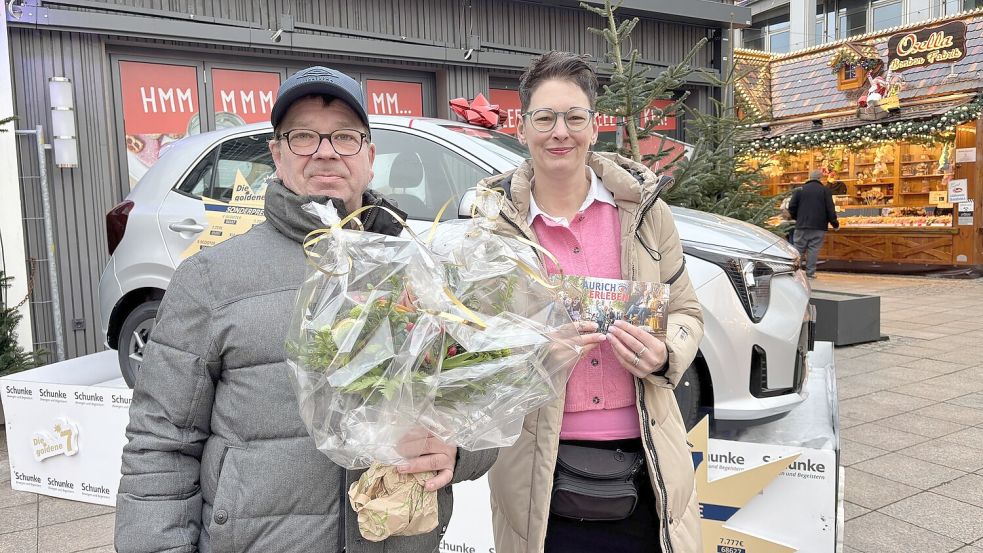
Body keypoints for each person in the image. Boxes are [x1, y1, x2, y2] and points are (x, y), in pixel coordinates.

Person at [114, 66, 497, 553]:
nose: (325, 150)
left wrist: (458, 452)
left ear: (370, 155)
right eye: (302, 136)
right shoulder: (213, 277)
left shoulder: (424, 269)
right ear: (276, 154)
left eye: (344, 136)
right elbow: (161, 441)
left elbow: (487, 405)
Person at [478, 52, 705, 553]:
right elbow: (474, 341)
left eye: (574, 117)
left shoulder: (646, 215)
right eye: (545, 117)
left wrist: (666, 354)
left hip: (648, 462)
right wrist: (535, 355)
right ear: (522, 127)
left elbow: (687, 311)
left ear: (592, 126)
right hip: (538, 467)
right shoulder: (492, 227)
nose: (560, 131)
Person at [788, 169, 839, 279]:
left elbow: (791, 207)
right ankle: (810, 273)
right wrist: (835, 224)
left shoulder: (799, 190)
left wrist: (797, 218)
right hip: (818, 226)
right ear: (821, 178)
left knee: (798, 249)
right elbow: (830, 209)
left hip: (801, 225)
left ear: (809, 177)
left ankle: (796, 272)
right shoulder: (825, 191)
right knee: (813, 250)